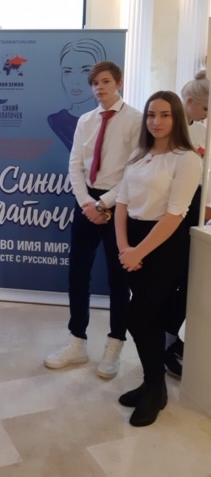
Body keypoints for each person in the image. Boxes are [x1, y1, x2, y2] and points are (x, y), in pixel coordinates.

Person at [44, 61, 142, 378]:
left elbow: (134, 170)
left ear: (119, 83)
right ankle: (77, 342)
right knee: (77, 274)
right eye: (95, 83)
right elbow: (75, 165)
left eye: (106, 81)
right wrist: (87, 203)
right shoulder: (85, 120)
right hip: (86, 203)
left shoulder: (135, 120)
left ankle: (115, 345)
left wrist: (104, 203)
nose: (99, 87)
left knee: (118, 280)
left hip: (119, 202)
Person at [115, 91, 201, 426]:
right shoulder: (139, 154)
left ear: (177, 118)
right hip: (132, 241)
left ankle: (155, 388)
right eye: (151, 114)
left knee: (139, 316)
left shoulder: (187, 159)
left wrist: (138, 251)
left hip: (164, 244)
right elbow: (122, 203)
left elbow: (175, 215)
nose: (156, 121)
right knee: (144, 317)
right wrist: (125, 247)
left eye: (165, 115)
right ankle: (152, 384)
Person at [163, 70, 209, 378]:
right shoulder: (167, 128)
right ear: (190, 102)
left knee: (192, 278)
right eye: (205, 108)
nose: (207, 114)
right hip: (171, 211)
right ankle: (167, 345)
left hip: (196, 211)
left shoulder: (203, 131)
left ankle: (173, 343)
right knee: (174, 278)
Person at [47, 38, 107, 151]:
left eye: (86, 71)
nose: (75, 81)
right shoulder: (56, 121)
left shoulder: (108, 120)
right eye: (67, 71)